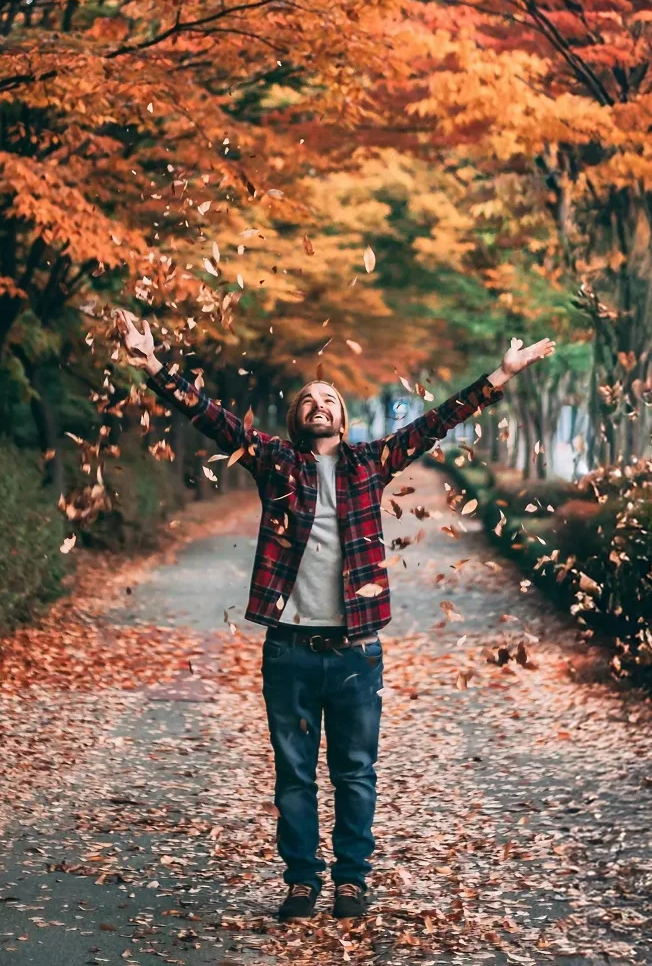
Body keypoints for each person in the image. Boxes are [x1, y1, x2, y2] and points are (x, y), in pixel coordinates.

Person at [117, 313, 555, 922]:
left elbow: (435, 422)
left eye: (329, 398)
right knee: (293, 779)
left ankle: (351, 882)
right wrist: (155, 366)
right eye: (307, 399)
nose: (318, 403)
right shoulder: (273, 461)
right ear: (297, 419)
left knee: (354, 777)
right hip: (290, 650)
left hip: (355, 651)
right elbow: (212, 418)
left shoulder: (367, 464)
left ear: (343, 421)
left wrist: (498, 376)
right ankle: (302, 882)